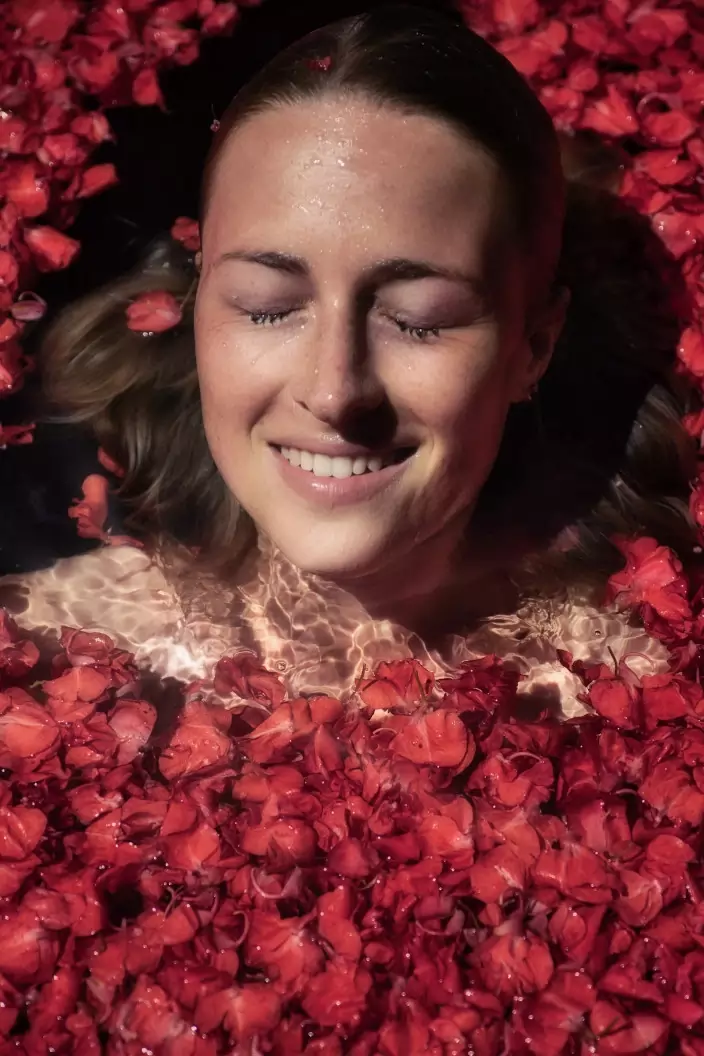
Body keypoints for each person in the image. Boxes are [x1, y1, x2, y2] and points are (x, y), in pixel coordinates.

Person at [0, 4, 694, 716]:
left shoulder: (641, 686)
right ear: (196, 309)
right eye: (268, 305)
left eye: (417, 320)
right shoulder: (45, 650)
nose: (335, 389)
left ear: (532, 347)